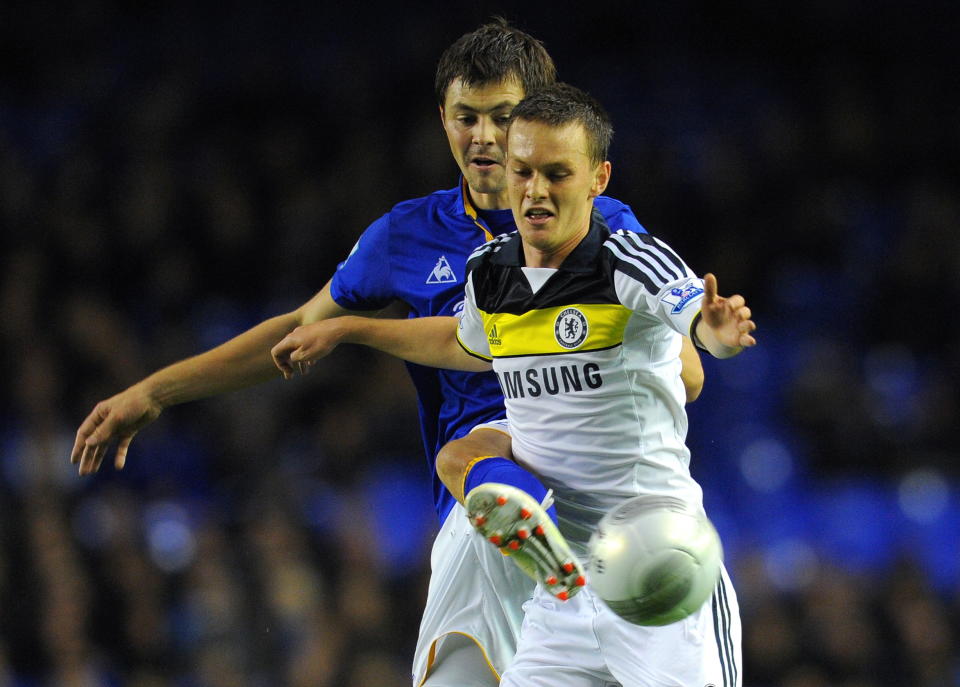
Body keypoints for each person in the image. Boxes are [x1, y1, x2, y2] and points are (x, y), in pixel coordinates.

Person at [71, 22, 702, 687]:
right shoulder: (405, 236)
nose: (483, 138)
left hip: (605, 488)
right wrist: (156, 392)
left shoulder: (603, 225)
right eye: (466, 118)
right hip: (482, 507)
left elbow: (686, 374)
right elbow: (295, 332)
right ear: (443, 119)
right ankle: (532, 534)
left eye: (503, 118)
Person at [271, 82, 754, 686]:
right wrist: (350, 330)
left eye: (558, 173)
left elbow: (689, 311)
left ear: (598, 178)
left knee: (466, 454)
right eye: (524, 171)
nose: (536, 191)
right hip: (563, 589)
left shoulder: (628, 260)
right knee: (461, 456)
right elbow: (460, 343)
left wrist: (715, 331)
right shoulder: (490, 273)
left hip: (658, 570)